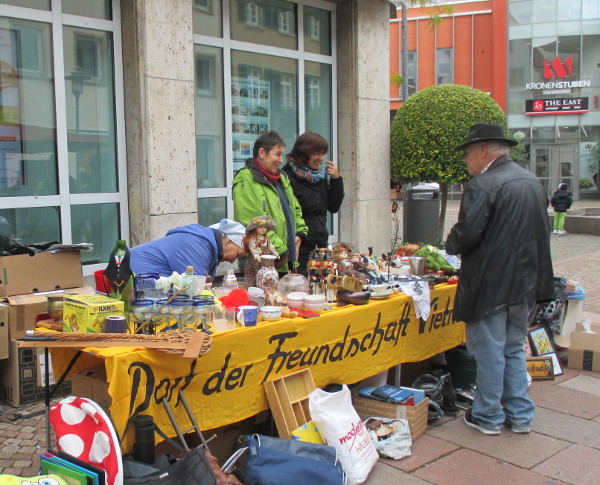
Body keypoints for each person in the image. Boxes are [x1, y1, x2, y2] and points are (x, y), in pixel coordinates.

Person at [445, 123, 555, 436]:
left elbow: (467, 234)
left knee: (489, 351)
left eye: (467, 153)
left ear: (483, 150)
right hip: (526, 281)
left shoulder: (484, 183)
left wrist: (450, 246)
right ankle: (520, 416)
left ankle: (487, 415)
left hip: (492, 283)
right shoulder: (531, 179)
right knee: (512, 347)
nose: (466, 160)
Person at [232, 131, 308, 272]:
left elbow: (295, 209)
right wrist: (280, 249)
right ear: (262, 153)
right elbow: (253, 221)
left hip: (285, 260)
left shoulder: (281, 178)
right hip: (262, 263)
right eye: (277, 154)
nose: (281, 160)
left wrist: (299, 234)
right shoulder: (247, 179)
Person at [281, 132, 345, 273]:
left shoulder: (319, 177)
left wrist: (336, 179)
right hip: (300, 249)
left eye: (323, 154)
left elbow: (333, 206)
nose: (321, 158)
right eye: (317, 154)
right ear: (304, 153)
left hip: (320, 246)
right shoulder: (287, 177)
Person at [129, 219, 246, 280]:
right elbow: (195, 293)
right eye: (238, 254)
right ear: (228, 241)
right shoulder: (197, 245)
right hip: (132, 278)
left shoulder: (203, 243)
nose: (232, 261)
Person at [243, 215, 279, 286]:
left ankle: (265, 285)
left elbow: (271, 247)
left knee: (267, 274)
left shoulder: (266, 238)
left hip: (266, 259)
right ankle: (254, 286)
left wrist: (275, 253)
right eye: (260, 227)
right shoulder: (252, 239)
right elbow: (252, 248)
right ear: (255, 228)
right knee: (254, 273)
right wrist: (256, 256)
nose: (263, 229)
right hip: (255, 259)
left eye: (265, 228)